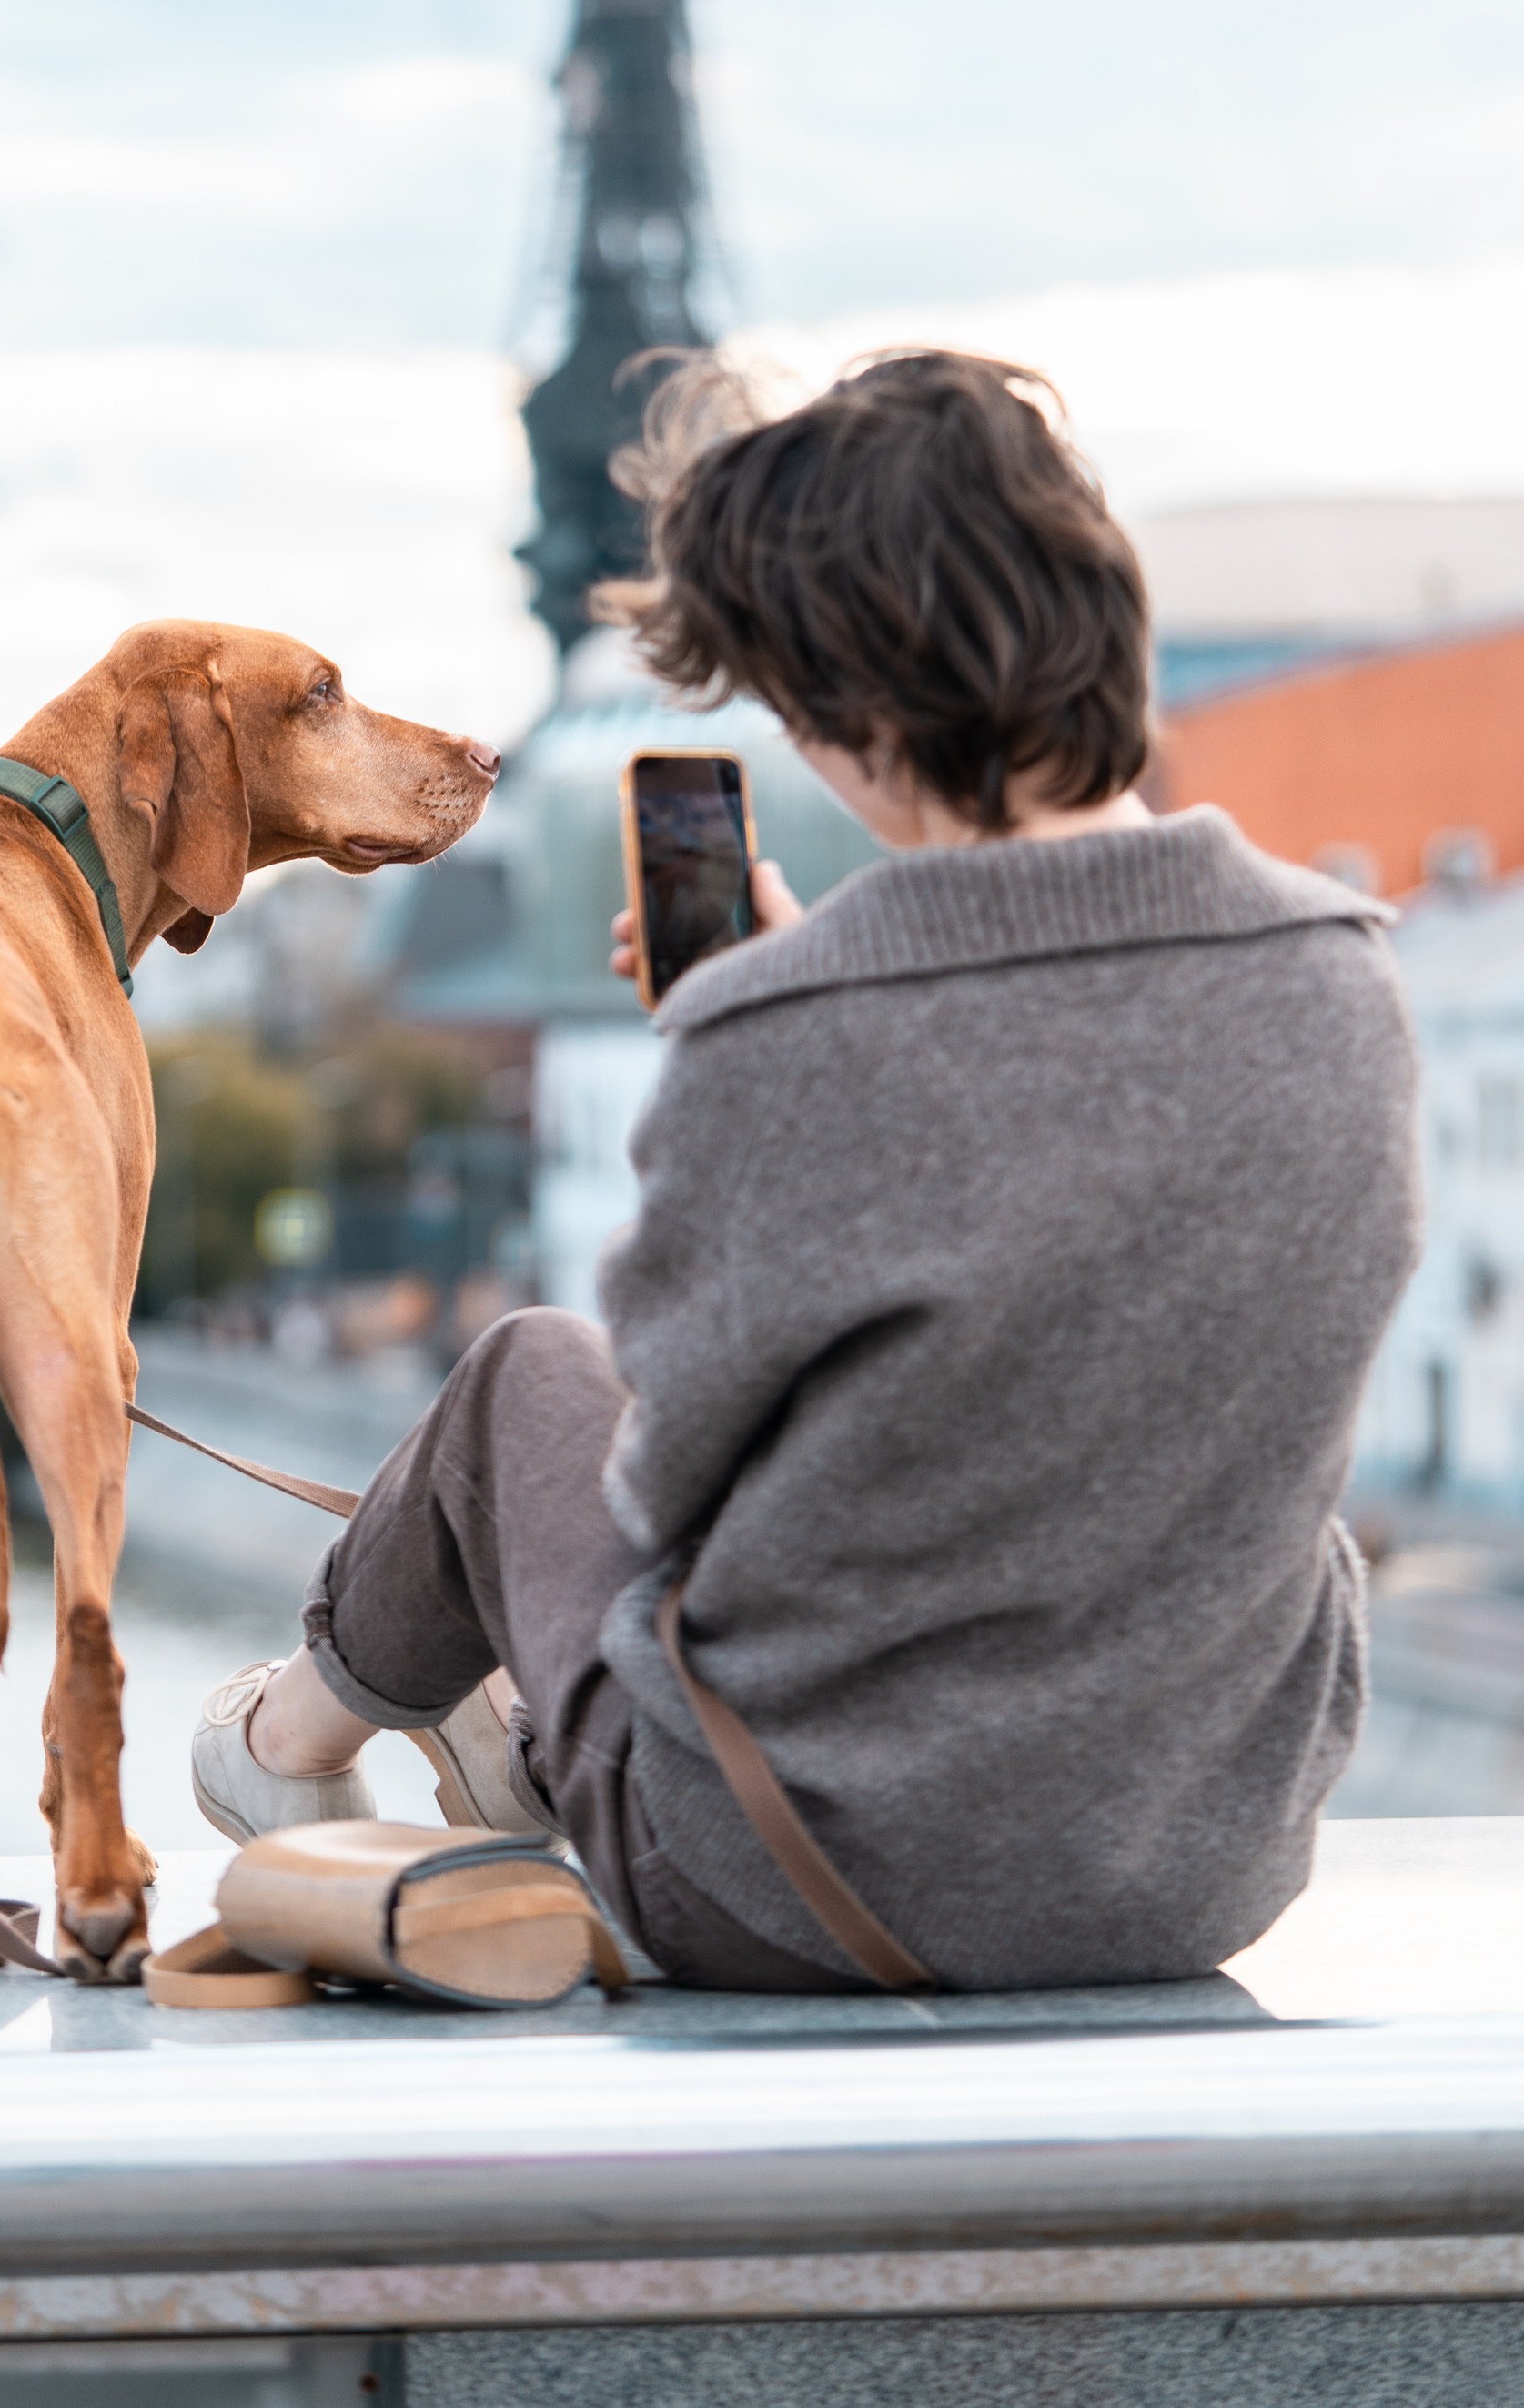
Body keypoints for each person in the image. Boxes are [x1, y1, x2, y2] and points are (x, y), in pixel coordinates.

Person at [189, 350, 1420, 1990]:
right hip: (1203, 1871)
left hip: (794, 1888)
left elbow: (672, 1493)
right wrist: (798, 999)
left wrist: (762, 1035)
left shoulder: (795, 1036)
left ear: (838, 704)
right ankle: (470, 1743)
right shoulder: (1347, 979)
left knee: (532, 1380)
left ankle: (282, 1743)